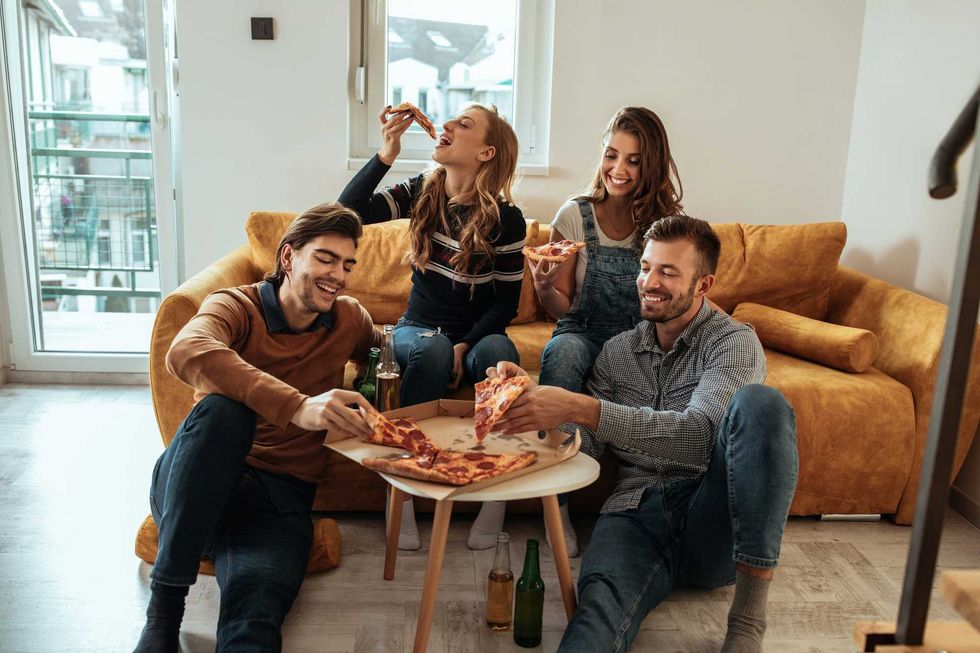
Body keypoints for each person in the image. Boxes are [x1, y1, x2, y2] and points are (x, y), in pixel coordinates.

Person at [489, 215, 799, 653]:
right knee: (594, 616)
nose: (649, 282)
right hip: (634, 513)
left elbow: (696, 440)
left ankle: (748, 622)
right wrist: (535, 399)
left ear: (704, 285)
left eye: (668, 272)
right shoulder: (618, 352)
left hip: (712, 515)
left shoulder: (733, 343)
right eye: (646, 267)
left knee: (762, 404)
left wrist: (583, 406)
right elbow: (587, 450)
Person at [133, 203, 381, 653]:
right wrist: (298, 407)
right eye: (325, 258)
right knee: (224, 413)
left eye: (347, 264)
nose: (339, 275)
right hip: (195, 479)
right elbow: (186, 350)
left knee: (255, 622)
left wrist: (445, 349)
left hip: (277, 500)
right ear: (288, 258)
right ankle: (163, 614)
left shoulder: (349, 319)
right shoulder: (236, 305)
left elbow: (384, 356)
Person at [338, 103, 526, 551]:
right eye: (450, 120)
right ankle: (402, 492)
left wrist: (466, 344)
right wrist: (386, 152)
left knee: (499, 353)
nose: (445, 126)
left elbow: (506, 304)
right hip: (416, 329)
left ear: (486, 153)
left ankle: (495, 497)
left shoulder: (507, 220)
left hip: (475, 333)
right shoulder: (424, 189)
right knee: (433, 350)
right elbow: (348, 212)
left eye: (464, 125)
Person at [528, 106, 684, 557]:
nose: (619, 169)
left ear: (651, 165)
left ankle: (641, 510)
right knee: (564, 355)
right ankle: (554, 507)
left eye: (633, 160)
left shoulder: (663, 225)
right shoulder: (575, 214)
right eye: (612, 155)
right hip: (583, 328)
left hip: (639, 339)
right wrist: (543, 285)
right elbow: (562, 308)